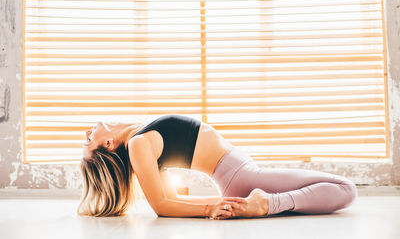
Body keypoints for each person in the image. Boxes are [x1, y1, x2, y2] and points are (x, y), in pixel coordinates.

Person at [78, 114, 357, 219]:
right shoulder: (137, 145)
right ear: (110, 145)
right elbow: (163, 204)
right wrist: (210, 207)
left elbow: (172, 198)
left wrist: (225, 202)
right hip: (241, 174)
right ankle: (268, 204)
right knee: (346, 189)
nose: (85, 134)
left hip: (238, 174)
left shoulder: (138, 138)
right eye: (88, 141)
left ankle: (263, 203)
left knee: (339, 189)